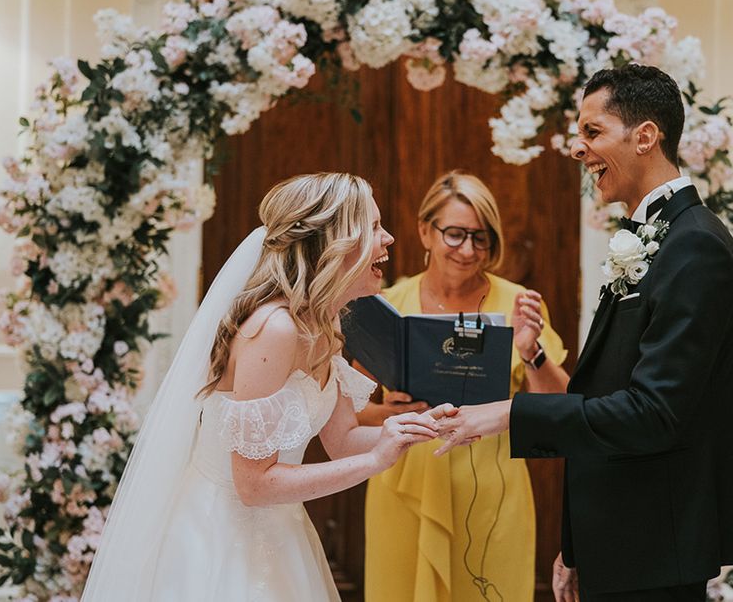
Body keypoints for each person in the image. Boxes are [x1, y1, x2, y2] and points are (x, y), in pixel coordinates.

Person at [436, 65, 733, 602]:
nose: (577, 149)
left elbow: (654, 414)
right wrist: (578, 546)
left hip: (653, 555)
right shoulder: (651, 238)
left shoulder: (696, 245)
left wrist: (508, 412)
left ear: (646, 136)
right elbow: (603, 394)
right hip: (616, 546)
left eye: (592, 133)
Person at [81, 172, 442, 602]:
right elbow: (253, 485)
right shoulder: (274, 330)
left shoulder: (325, 325)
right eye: (374, 227)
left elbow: (344, 439)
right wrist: (376, 461)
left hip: (279, 530)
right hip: (218, 540)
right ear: (334, 241)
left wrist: (413, 429)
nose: (389, 239)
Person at [358, 171, 569, 602]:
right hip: (403, 487)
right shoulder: (386, 305)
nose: (468, 250)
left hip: (491, 494)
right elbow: (350, 414)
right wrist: (393, 412)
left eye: (481, 237)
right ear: (424, 231)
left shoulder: (519, 304)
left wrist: (531, 352)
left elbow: (563, 408)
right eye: (455, 234)